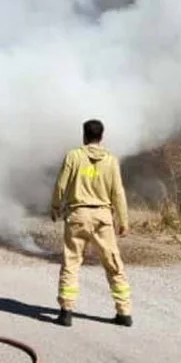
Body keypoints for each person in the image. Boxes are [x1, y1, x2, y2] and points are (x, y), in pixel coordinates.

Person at [51, 119, 132, 328]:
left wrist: (55, 206)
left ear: (84, 136)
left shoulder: (74, 156)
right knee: (113, 264)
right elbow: (118, 192)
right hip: (103, 219)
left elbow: (61, 184)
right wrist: (123, 220)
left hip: (77, 216)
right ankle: (124, 313)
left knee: (71, 263)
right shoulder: (111, 160)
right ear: (101, 136)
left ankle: (66, 312)